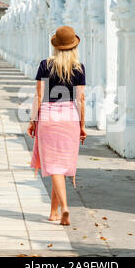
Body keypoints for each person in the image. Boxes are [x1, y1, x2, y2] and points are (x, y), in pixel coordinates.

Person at [27, 26, 87, 226]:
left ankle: (64, 208)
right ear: (74, 46)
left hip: (49, 117)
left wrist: (33, 120)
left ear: (55, 46)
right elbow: (81, 99)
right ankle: (53, 213)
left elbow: (38, 95)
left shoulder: (45, 65)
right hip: (70, 117)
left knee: (54, 166)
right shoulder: (79, 67)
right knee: (58, 165)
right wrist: (82, 125)